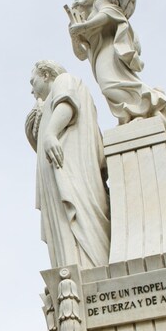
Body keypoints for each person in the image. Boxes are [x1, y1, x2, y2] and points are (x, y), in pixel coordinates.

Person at [28, 60, 110, 270]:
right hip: (58, 172)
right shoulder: (48, 104)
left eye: (33, 81)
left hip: (71, 171)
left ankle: (86, 270)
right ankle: (71, 271)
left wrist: (51, 133)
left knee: (79, 222)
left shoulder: (64, 80)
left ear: (45, 75)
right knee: (64, 229)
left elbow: (67, 103)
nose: (31, 90)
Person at [67, 0, 166, 139]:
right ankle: (136, 112)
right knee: (111, 86)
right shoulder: (81, 18)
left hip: (109, 51)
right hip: (98, 57)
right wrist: (74, 37)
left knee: (112, 85)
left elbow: (110, 13)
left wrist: (83, 27)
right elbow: (81, 54)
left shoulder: (99, 1)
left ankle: (148, 105)